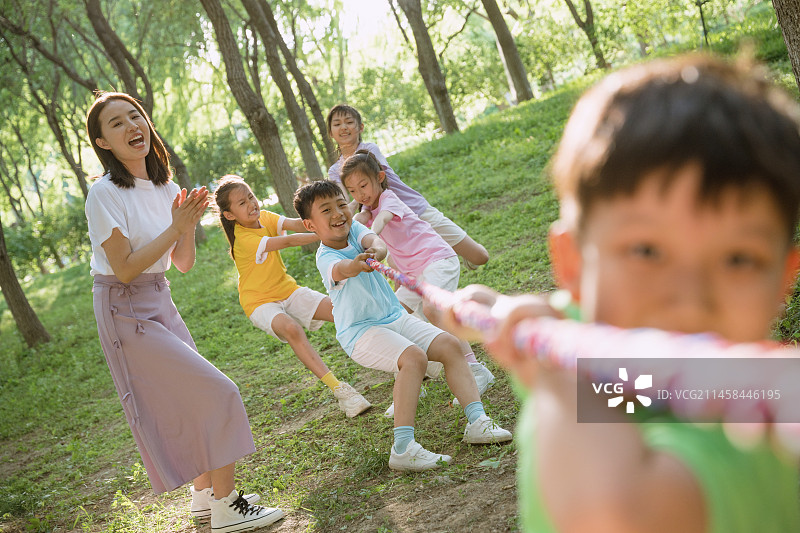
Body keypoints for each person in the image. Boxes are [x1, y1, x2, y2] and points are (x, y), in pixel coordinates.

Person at [441, 54, 800, 532]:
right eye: (647, 250)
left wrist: (553, 372)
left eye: (738, 259)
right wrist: (487, 309)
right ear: (572, 263)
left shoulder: (756, 429)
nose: (689, 298)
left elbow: (610, 515)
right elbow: (597, 372)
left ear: (782, 280)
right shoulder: (589, 342)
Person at [84, 92, 283, 531]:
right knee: (218, 392)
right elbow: (124, 268)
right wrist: (175, 226)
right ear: (103, 143)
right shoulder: (103, 193)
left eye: (135, 116)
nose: (131, 126)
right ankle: (227, 506)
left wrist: (185, 227)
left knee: (190, 399)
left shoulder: (167, 188)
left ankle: (203, 497)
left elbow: (183, 262)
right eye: (116, 123)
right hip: (123, 307)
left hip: (160, 295)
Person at [293, 180, 512, 472]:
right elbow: (341, 269)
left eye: (341, 204)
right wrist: (356, 265)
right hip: (361, 333)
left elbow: (377, 242)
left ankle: (478, 422)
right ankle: (402, 449)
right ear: (310, 225)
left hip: (394, 317)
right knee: (414, 359)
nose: (338, 213)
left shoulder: (355, 229)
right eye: (326, 210)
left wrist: (375, 251)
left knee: (449, 345)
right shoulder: (326, 257)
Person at [340, 150, 495, 412]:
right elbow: (358, 221)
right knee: (392, 318)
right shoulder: (366, 210)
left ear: (380, 178)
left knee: (434, 308)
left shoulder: (389, 199)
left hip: (437, 260)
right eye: (353, 191)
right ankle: (410, 382)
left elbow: (381, 221)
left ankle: (475, 370)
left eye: (363, 185)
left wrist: (368, 239)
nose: (360, 194)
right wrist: (350, 219)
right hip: (413, 274)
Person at [212, 174, 371, 418]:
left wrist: (345, 210)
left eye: (251, 197)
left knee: (342, 310)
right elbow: (289, 241)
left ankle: (392, 356)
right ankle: (341, 392)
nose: (252, 204)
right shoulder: (244, 240)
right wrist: (331, 231)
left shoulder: (265, 217)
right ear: (229, 215)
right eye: (242, 203)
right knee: (292, 329)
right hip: (259, 302)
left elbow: (300, 224)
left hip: (286, 289)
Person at [326, 104, 489, 269]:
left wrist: (357, 201)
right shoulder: (334, 171)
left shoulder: (369, 150)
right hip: (388, 225)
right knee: (404, 271)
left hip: (414, 208)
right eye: (337, 124)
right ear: (331, 133)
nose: (344, 127)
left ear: (360, 127)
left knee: (480, 257)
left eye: (349, 122)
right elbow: (343, 203)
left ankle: (446, 248)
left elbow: (378, 183)